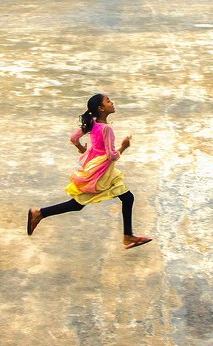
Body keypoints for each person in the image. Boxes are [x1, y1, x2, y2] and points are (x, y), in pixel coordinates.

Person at [27, 94, 152, 250]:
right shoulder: (107, 129)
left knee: (127, 197)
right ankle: (39, 213)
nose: (112, 102)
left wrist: (82, 149)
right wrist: (124, 147)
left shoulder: (92, 123)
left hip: (95, 164)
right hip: (101, 171)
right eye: (108, 101)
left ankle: (128, 236)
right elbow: (112, 156)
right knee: (79, 203)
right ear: (101, 108)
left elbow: (74, 138)